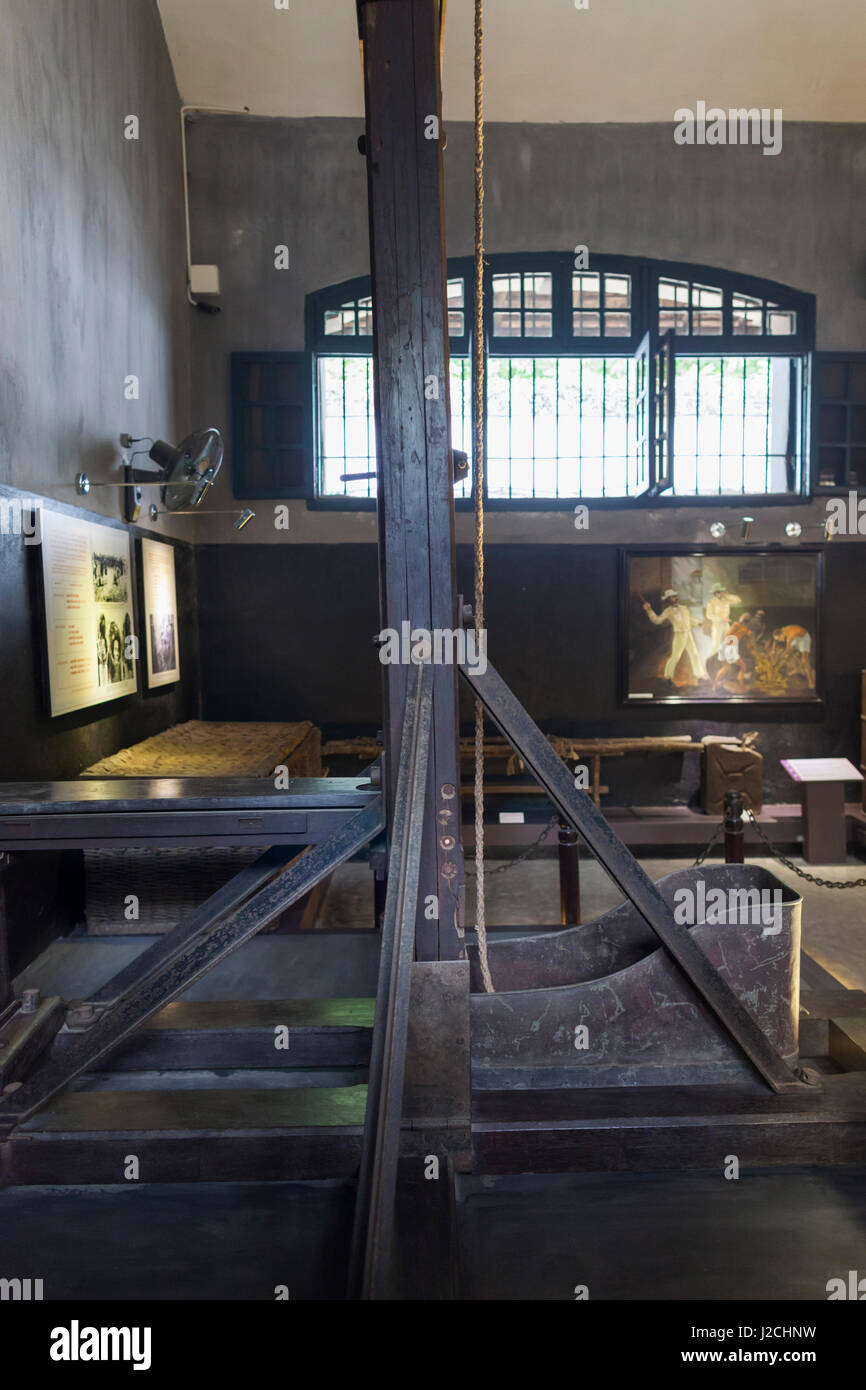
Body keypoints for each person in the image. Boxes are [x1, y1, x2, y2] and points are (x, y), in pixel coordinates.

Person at [642, 588, 708, 684]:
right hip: (679, 635)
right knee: (676, 656)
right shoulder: (668, 611)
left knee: (694, 654)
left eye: (675, 596)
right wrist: (649, 610)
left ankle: (700, 675)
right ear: (668, 600)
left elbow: (689, 619)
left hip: (688, 633)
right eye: (672, 597)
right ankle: (667, 676)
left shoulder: (684, 608)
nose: (674, 598)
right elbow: (657, 620)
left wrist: (699, 623)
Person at [706, 582, 742, 651]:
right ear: (715, 593)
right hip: (717, 625)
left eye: (721, 591)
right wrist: (721, 619)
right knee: (716, 646)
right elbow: (709, 615)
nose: (720, 593)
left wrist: (727, 596)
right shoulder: (711, 602)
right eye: (718, 592)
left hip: (726, 625)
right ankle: (712, 660)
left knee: (728, 644)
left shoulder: (726, 600)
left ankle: (726, 660)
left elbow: (738, 600)